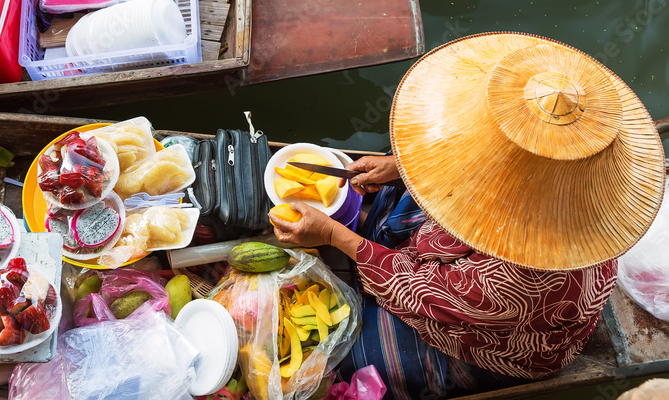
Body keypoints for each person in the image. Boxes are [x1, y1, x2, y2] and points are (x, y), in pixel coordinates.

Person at [270, 32, 665, 400]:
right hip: (470, 274)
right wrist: (397, 166)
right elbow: (454, 153)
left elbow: (420, 289)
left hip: (498, 337)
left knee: (356, 355)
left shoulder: (520, 277)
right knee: (398, 197)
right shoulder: (580, 182)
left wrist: (334, 235)